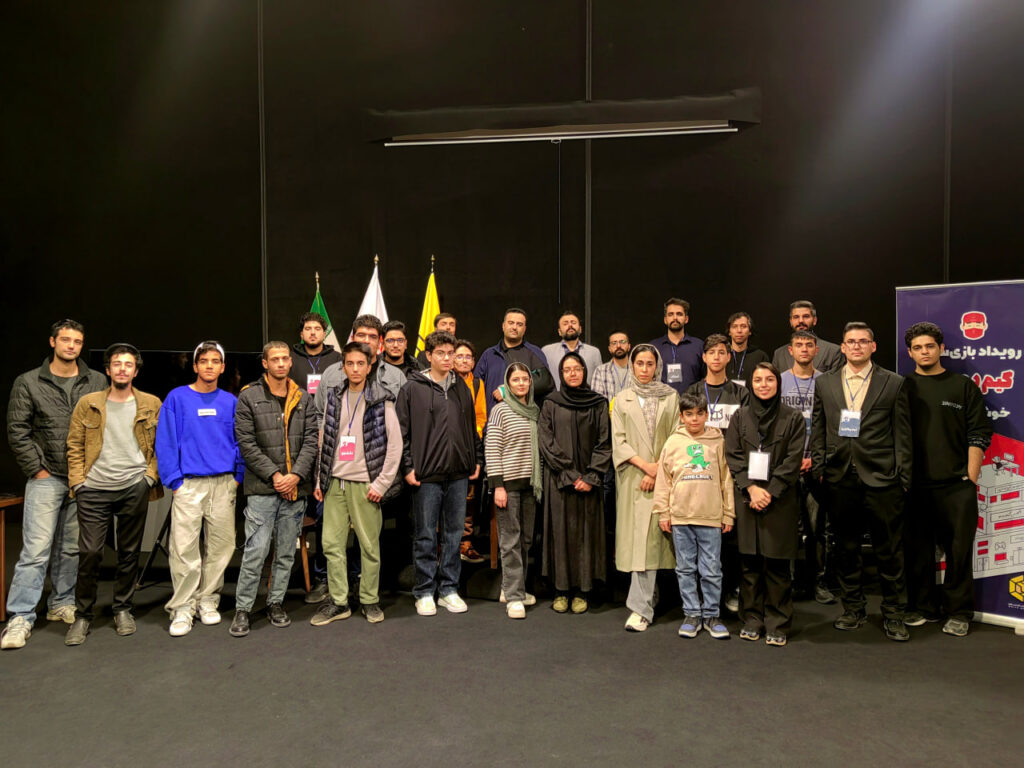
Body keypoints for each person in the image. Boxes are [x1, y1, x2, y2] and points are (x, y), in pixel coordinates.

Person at [1, 319, 106, 650]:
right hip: (47, 476)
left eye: (77, 341)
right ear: (52, 342)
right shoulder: (29, 382)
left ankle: (61, 602)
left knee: (72, 548)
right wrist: (37, 470)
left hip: (83, 477)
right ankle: (20, 616)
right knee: (36, 550)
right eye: (65, 340)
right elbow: (17, 429)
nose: (71, 346)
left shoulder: (96, 380)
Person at [810, 322, 913, 642]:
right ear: (842, 347)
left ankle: (894, 613)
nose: (856, 346)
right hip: (840, 477)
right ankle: (853, 609)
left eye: (863, 341)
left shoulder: (893, 382)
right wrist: (818, 467)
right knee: (846, 549)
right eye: (851, 342)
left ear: (873, 346)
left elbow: (903, 433)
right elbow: (818, 426)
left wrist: (904, 477)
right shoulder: (825, 382)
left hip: (882, 478)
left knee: (889, 551)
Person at [64, 344, 162, 646]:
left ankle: (122, 609)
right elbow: (74, 444)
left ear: (135, 370)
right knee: (90, 553)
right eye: (117, 364)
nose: (122, 369)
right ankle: (83, 615)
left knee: (129, 552)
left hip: (133, 486)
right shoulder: (89, 402)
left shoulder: (151, 403)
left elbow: (161, 445)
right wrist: (79, 482)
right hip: (94, 488)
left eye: (128, 364)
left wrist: (149, 478)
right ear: (108, 369)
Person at [902, 322, 992, 637]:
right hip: (914, 486)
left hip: (957, 486)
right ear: (909, 352)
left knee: (959, 552)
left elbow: (979, 432)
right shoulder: (902, 386)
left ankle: (959, 612)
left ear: (941, 348)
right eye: (917, 348)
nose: (924, 352)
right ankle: (923, 607)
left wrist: (970, 477)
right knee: (918, 553)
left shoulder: (963, 386)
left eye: (930, 346)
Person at [156, 341, 244, 637]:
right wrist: (175, 481)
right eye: (204, 361)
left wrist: (237, 476)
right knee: (183, 548)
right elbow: (166, 441)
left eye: (215, 361)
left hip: (223, 483)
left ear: (222, 367)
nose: (209, 366)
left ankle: (207, 600)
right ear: (195, 366)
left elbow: (241, 440)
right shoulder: (177, 398)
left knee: (221, 546)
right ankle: (183, 607)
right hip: (189, 485)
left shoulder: (230, 402)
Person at [310, 341, 402, 627]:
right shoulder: (334, 397)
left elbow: (395, 446)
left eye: (361, 363)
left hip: (365, 484)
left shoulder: (382, 399)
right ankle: (339, 602)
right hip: (335, 482)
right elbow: (325, 439)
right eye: (350, 364)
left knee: (369, 546)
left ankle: (369, 600)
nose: (355, 369)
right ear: (343, 366)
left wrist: (382, 484)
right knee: (331, 545)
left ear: (370, 366)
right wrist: (320, 478)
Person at [230, 342, 318, 637]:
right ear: (265, 363)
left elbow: (311, 440)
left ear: (290, 362)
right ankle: (243, 608)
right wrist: (276, 475)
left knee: (286, 552)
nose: (281, 363)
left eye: (285, 359)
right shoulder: (249, 396)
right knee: (255, 551)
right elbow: (246, 443)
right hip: (263, 488)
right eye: (275, 359)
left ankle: (275, 603)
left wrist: (295, 476)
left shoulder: (303, 397)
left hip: (295, 487)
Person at [397, 330, 482, 616]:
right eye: (441, 354)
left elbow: (471, 428)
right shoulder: (412, 388)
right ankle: (424, 591)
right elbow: (401, 433)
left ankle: (449, 589)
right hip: (426, 475)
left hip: (458, 473)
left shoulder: (462, 388)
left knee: (454, 535)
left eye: (451, 354)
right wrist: (408, 466)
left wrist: (476, 458)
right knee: (425, 535)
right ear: (429, 356)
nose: (447, 359)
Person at [725, 362, 806, 646]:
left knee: (777, 566)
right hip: (747, 497)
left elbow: (793, 459)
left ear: (777, 383)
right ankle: (751, 619)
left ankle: (778, 623)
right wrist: (751, 488)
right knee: (749, 565)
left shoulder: (793, 418)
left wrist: (769, 492)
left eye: (769, 379)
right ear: (750, 384)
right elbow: (733, 455)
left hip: (779, 500)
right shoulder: (740, 416)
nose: (763, 385)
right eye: (758, 380)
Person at [653, 393, 734, 639]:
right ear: (681, 416)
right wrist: (663, 512)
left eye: (699, 413)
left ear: (707, 415)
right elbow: (663, 480)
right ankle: (691, 614)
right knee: (685, 568)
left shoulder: (718, 441)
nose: (694, 419)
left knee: (711, 569)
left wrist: (728, 513)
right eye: (689, 414)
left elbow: (726, 479)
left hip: (710, 516)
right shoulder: (673, 442)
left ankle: (711, 614)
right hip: (681, 517)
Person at [611, 344, 678, 632]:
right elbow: (618, 440)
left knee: (652, 543)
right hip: (633, 478)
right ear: (632, 365)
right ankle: (642, 605)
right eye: (639, 363)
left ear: (657, 366)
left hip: (662, 476)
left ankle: (643, 605)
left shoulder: (670, 396)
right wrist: (645, 467)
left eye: (650, 364)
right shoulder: (621, 399)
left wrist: (657, 469)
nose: (645, 369)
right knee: (640, 543)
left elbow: (676, 435)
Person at [539, 353, 611, 614]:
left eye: (577, 368)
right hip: (559, 481)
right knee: (560, 534)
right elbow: (546, 441)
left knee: (586, 535)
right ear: (561, 373)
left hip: (590, 482)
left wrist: (591, 477)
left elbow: (605, 442)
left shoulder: (598, 403)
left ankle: (582, 591)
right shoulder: (551, 402)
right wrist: (570, 475)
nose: (572, 373)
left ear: (584, 371)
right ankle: (561, 590)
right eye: (567, 369)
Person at [687, 333, 750, 614]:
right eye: (711, 352)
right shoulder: (692, 391)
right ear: (704, 357)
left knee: (731, 534)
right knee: (702, 535)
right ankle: (702, 594)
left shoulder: (740, 393)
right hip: (700, 472)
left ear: (728, 357)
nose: (716, 357)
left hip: (731, 472)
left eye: (721, 352)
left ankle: (732, 588)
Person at [779, 330, 835, 605]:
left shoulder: (827, 382)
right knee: (788, 527)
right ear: (790, 350)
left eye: (808, 345)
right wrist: (791, 460)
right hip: (787, 466)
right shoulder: (778, 381)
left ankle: (819, 581)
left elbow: (833, 425)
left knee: (818, 528)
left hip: (817, 465)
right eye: (798, 345)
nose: (803, 349)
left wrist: (816, 458)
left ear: (816, 350)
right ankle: (788, 583)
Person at [485, 363, 543, 619]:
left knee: (526, 540)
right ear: (507, 384)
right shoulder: (500, 410)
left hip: (530, 485)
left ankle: (511, 588)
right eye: (516, 380)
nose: (521, 384)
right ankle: (514, 598)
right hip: (507, 486)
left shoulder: (534, 411)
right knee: (510, 541)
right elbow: (492, 448)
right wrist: (497, 485)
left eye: (525, 379)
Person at [316, 314, 406, 417]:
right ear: (352, 338)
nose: (366, 341)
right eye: (361, 335)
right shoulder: (331, 373)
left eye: (372, 336)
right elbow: (319, 414)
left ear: (380, 341)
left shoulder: (396, 376)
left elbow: (404, 417)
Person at [475, 307, 555, 414]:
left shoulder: (534, 353)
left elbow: (545, 382)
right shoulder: (489, 355)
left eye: (519, 324)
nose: (514, 327)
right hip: (493, 418)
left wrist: (508, 391)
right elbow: (476, 387)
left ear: (524, 329)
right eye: (511, 323)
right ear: (503, 326)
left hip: (525, 418)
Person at [454, 339, 487, 564]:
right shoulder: (445, 381)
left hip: (470, 448)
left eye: (468, 357)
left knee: (469, 498)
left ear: (474, 362)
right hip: (447, 449)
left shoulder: (477, 384)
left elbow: (481, 416)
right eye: (460, 356)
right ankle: (443, 546)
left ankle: (465, 543)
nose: (464, 360)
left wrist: (473, 436)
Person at [649, 298, 704, 396]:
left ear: (686, 319)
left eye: (679, 314)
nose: (675, 318)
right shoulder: (654, 347)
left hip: (692, 402)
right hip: (661, 402)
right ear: (665, 320)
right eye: (671, 314)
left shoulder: (699, 346)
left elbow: (705, 378)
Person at [771, 300, 845, 373]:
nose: (801, 321)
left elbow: (836, 380)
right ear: (791, 321)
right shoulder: (779, 354)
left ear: (814, 320)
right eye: (796, 317)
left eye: (806, 316)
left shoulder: (833, 351)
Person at [541, 310, 603, 388]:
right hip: (557, 395)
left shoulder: (594, 352)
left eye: (573, 322)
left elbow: (599, 381)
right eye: (565, 323)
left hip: (586, 395)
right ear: (559, 331)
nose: (570, 325)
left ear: (580, 329)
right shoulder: (547, 351)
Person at [289, 311, 342, 396]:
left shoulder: (337, 358)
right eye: (308, 329)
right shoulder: (290, 358)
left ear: (324, 334)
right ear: (301, 335)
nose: (313, 332)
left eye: (317, 329)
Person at [724, 312, 769, 387]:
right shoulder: (722, 356)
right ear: (729, 332)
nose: (739, 330)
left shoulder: (760, 356)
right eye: (734, 326)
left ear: (750, 331)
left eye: (743, 326)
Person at [591, 330, 632, 402]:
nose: (618, 346)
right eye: (614, 343)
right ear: (609, 349)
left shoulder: (637, 370)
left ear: (629, 346)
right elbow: (597, 402)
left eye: (622, 342)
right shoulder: (601, 371)